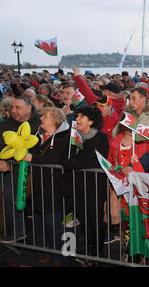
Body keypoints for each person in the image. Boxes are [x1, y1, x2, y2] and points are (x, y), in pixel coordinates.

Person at [23, 107, 70, 265]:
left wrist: (32, 158)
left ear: (54, 120)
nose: (41, 119)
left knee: (54, 226)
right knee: (45, 225)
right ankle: (52, 252)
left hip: (55, 189)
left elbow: (57, 158)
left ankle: (59, 257)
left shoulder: (64, 136)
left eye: (45, 116)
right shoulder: (39, 135)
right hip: (40, 187)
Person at [61, 106, 109, 260]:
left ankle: (97, 254)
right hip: (77, 187)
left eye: (82, 116)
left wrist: (74, 163)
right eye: (78, 116)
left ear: (92, 121)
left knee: (95, 221)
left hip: (94, 187)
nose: (78, 119)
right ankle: (89, 250)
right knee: (83, 219)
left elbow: (97, 161)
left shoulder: (101, 138)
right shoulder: (74, 137)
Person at [0, 95, 41, 243]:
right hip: (13, 171)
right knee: (9, 198)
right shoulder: (4, 125)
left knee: (42, 203)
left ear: (28, 108)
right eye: (13, 108)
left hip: (37, 171)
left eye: (18, 108)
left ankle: (45, 240)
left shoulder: (40, 122)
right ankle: (17, 231)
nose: (14, 111)